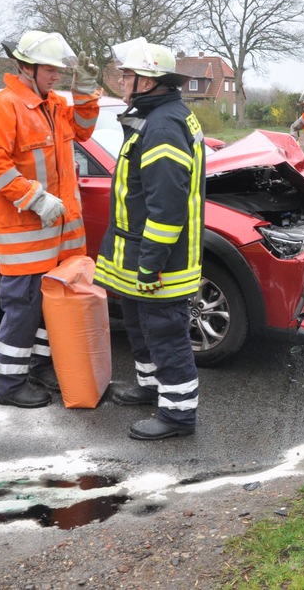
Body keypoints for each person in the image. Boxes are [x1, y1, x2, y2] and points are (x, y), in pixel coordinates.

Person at [0, 30, 100, 407]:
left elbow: (84, 129)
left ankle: (42, 367)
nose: (56, 75)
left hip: (60, 238)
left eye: (57, 70)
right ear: (26, 68)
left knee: (50, 309)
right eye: (49, 69)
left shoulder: (54, 105)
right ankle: (8, 386)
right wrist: (34, 198)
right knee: (24, 309)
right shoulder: (3, 107)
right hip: (27, 236)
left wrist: (87, 90)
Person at [95, 38, 204, 441]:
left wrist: (150, 263)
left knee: (166, 334)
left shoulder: (162, 127)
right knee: (142, 326)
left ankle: (177, 416)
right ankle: (151, 387)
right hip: (140, 254)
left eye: (128, 74)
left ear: (150, 81)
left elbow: (168, 207)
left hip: (160, 261)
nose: (122, 80)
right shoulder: (157, 115)